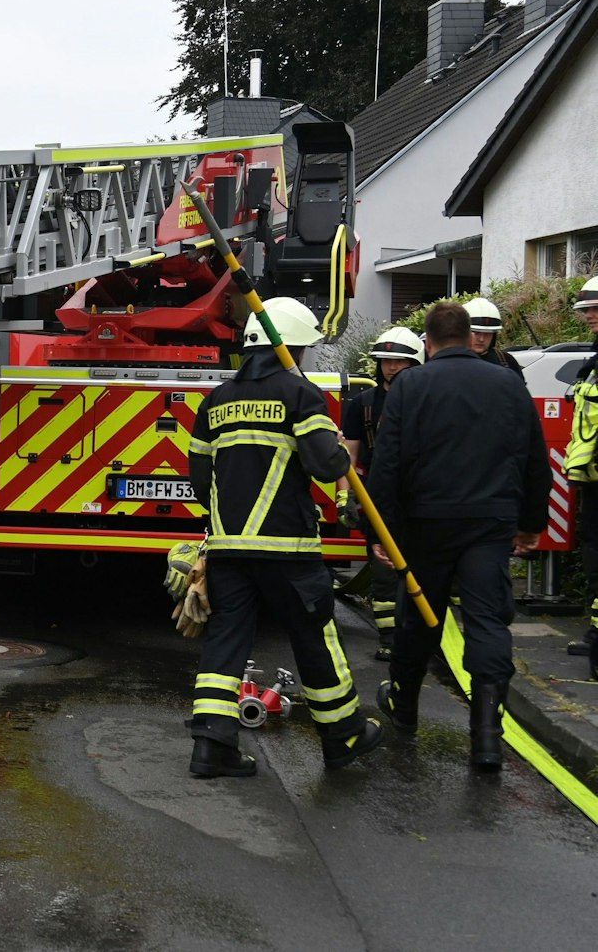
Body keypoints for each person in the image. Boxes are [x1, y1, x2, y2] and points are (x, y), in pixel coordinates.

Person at [185, 297, 383, 778]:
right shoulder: (299, 396)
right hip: (287, 551)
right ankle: (343, 736)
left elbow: (199, 477)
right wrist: (336, 448)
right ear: (290, 346)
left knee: (224, 648)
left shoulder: (216, 401)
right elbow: (325, 465)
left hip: (230, 551)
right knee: (315, 639)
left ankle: (211, 749)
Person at [369, 300, 550, 771]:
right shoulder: (509, 384)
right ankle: (487, 735)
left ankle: (404, 706)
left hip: (427, 525)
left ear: (427, 343)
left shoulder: (410, 385)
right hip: (490, 523)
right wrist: (532, 524)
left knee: (420, 619)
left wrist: (382, 534)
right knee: (488, 621)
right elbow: (535, 460)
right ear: (471, 336)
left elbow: (387, 467)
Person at [339, 326, 425, 660]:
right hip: (379, 495)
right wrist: (345, 497)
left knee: (419, 566)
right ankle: (389, 638)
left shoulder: (427, 400)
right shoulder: (364, 404)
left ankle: (417, 632)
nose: (391, 367)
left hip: (421, 494)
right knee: (384, 569)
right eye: (386, 360)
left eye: (399, 361)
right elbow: (350, 455)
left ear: (414, 363)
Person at [561, 278, 598, 681]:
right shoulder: (594, 361)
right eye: (586, 309)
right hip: (592, 480)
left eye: (594, 309)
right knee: (593, 559)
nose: (588, 315)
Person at [463, 296, 526, 374]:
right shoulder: (452, 362)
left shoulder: (507, 361)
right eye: (476, 332)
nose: (481, 339)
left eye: (488, 333)